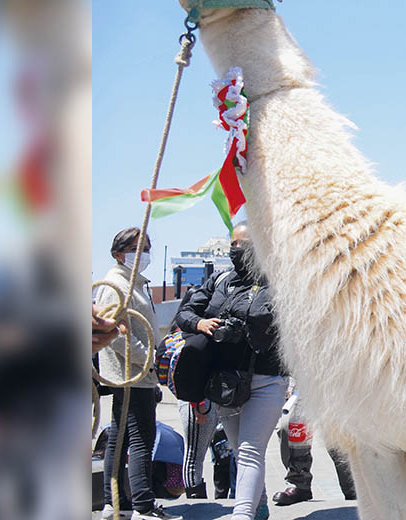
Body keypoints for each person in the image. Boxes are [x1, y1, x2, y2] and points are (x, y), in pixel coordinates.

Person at [175, 222, 288, 520]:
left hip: (267, 379)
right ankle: (258, 505)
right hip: (225, 383)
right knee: (240, 450)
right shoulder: (220, 280)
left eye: (247, 246)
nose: (239, 251)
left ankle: (242, 514)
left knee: (251, 450)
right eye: (235, 245)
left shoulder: (281, 281)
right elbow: (185, 313)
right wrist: (200, 324)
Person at [96, 228, 178, 519]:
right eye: (135, 248)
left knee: (119, 437)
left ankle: (115, 503)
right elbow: (112, 332)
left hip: (138, 374)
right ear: (118, 253)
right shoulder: (114, 285)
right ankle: (143, 505)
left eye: (146, 248)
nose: (142, 254)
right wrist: (148, 358)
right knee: (141, 437)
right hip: (130, 374)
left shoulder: (137, 285)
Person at [272, 378, 357, 505]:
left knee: (339, 434)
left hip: (335, 379)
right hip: (302, 379)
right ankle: (299, 484)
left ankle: (354, 489)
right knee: (291, 426)